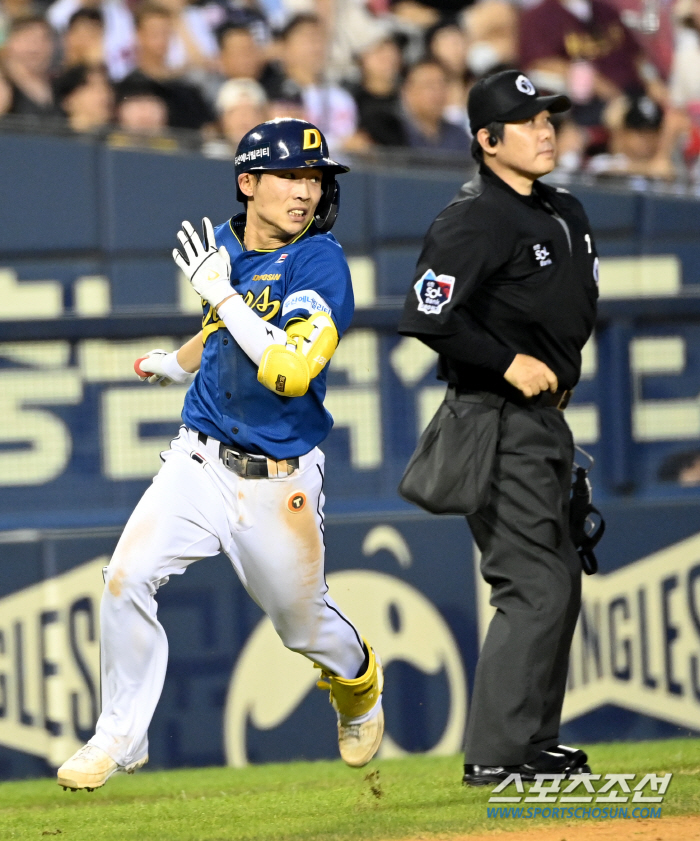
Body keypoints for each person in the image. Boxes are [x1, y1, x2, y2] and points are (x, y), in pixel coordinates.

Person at [56, 118, 385, 791]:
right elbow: (221, 332)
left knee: (303, 625)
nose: (307, 192)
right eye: (292, 175)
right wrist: (174, 365)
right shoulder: (223, 248)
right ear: (248, 182)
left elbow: (290, 368)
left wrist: (224, 294)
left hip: (279, 475)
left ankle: (359, 686)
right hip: (200, 457)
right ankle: (119, 735)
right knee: (125, 576)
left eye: (316, 179)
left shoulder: (320, 260)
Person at [398, 69, 599, 785]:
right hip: (496, 418)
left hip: (545, 423)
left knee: (560, 579)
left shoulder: (565, 210)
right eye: (526, 120)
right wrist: (507, 360)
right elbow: (426, 313)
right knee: (534, 580)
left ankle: (533, 740)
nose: (545, 129)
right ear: (486, 141)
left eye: (549, 116)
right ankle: (497, 753)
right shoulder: (474, 216)